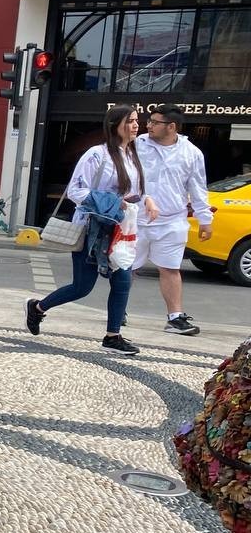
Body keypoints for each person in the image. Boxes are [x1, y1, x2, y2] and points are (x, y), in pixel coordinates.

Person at [25, 105, 158, 356]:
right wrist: (114, 202)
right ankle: (38, 307)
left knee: (123, 282)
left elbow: (136, 192)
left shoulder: (132, 155)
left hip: (121, 230)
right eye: (130, 121)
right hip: (92, 228)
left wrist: (147, 200)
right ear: (114, 125)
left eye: (136, 121)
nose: (136, 125)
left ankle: (113, 335)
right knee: (82, 287)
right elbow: (76, 191)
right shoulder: (96, 155)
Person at [133, 104, 212, 336]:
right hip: (136, 218)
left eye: (155, 122)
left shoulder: (191, 153)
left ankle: (175, 317)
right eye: (149, 121)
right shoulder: (137, 145)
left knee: (170, 268)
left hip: (172, 220)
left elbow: (198, 188)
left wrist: (205, 219)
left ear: (172, 126)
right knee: (126, 267)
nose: (149, 125)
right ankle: (118, 312)